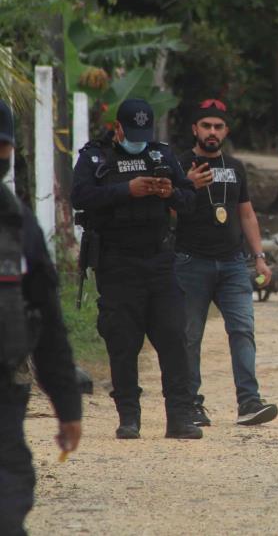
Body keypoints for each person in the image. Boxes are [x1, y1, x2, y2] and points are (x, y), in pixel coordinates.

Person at [71, 98, 202, 439]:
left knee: (173, 337)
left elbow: (189, 201)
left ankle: (180, 418)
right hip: (117, 262)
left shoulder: (160, 154)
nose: (138, 140)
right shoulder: (95, 157)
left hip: (158, 260)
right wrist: (125, 191)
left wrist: (170, 192)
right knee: (122, 341)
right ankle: (129, 417)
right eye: (131, 133)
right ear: (117, 128)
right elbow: (80, 197)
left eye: (144, 133)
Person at [0, 100, 82, 536]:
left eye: (2, 146)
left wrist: (67, 407)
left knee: (8, 501)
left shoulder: (17, 223)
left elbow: (47, 320)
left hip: (2, 389)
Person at [174, 99, 277, 426]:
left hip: (233, 263)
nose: (212, 132)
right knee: (190, 335)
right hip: (191, 261)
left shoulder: (235, 167)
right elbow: (168, 212)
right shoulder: (178, 165)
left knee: (243, 330)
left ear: (226, 131)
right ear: (195, 129)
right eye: (206, 125)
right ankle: (190, 405)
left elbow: (245, 212)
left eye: (218, 126)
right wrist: (187, 184)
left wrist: (259, 257)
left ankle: (249, 402)